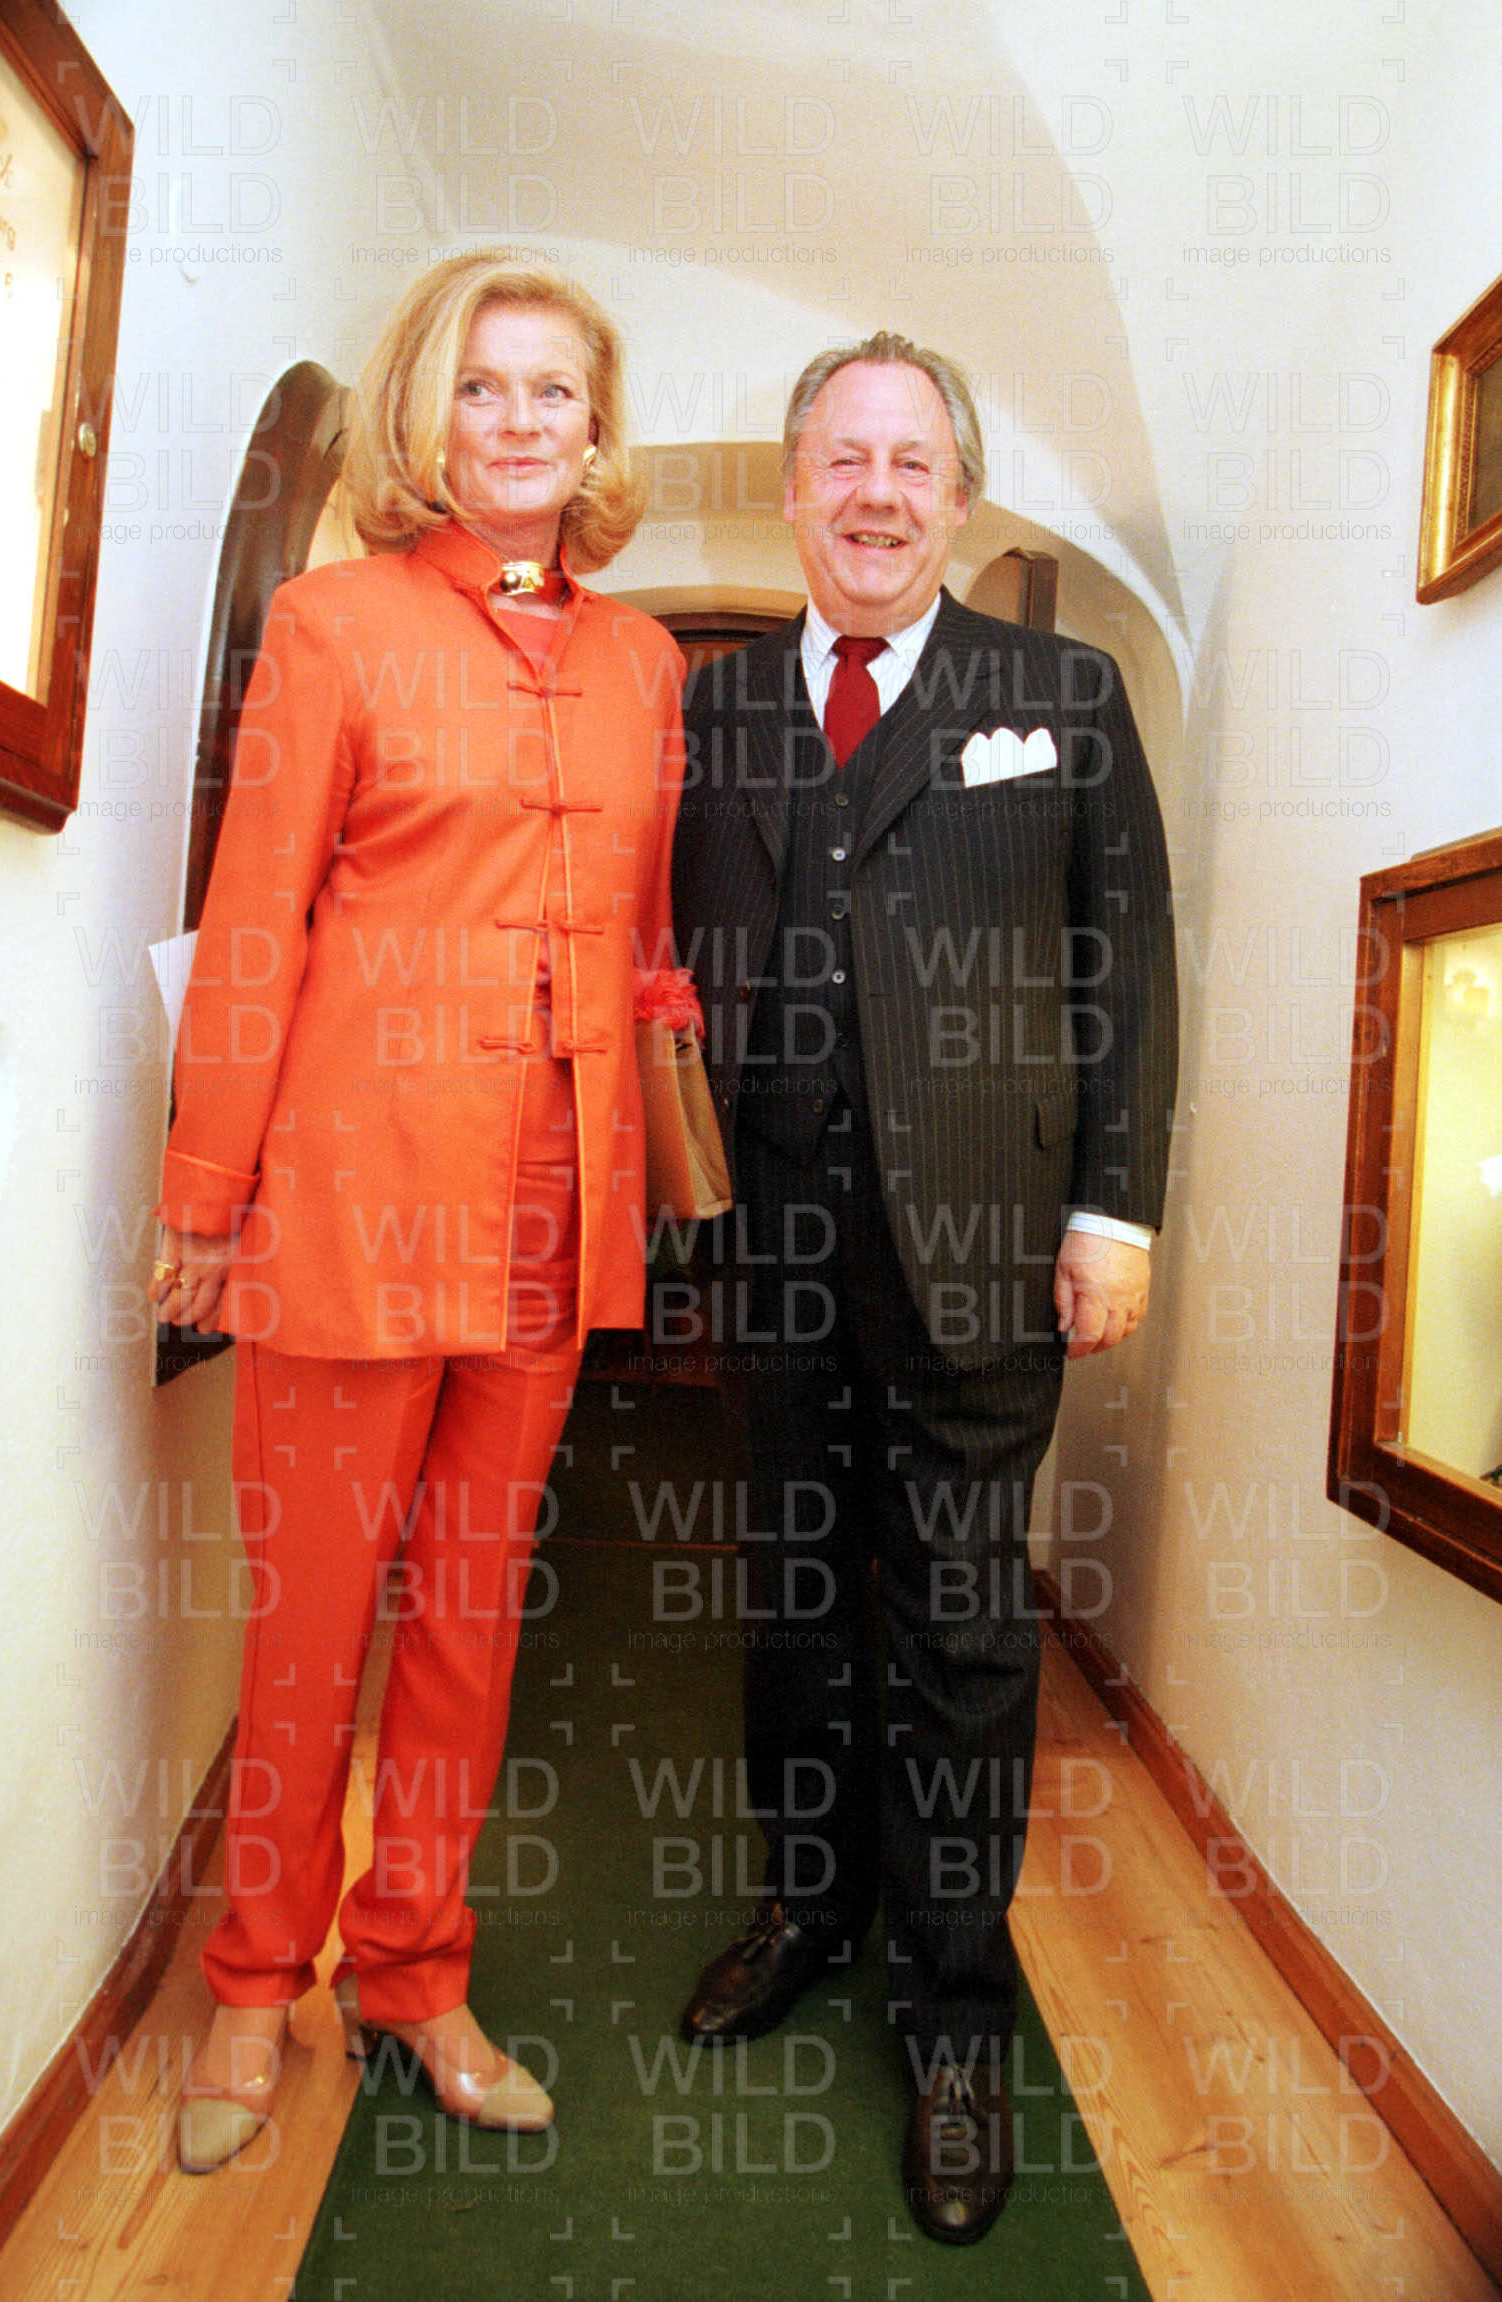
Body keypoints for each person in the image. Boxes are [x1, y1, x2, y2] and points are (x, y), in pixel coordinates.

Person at [150, 252, 687, 2173]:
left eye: (555, 389)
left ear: (597, 431)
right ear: (425, 418)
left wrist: (666, 1052)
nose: (520, 419)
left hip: (553, 1209)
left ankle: (416, 1971)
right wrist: (205, 1193)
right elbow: (255, 923)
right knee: (311, 1626)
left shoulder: (648, 665)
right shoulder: (334, 624)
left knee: (470, 1621)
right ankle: (251, 1982)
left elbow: (641, 937)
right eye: (483, 384)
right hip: (354, 1202)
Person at [670, 332, 1178, 2245]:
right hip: (775, 1241)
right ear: (791, 488)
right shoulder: (717, 706)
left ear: (958, 496)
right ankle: (811, 1898)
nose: (874, 493)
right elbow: (671, 948)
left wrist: (1113, 1213)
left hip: (985, 1239)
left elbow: (1127, 963)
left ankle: (958, 2019)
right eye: (842, 459)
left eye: (911, 463)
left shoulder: (1062, 691)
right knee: (797, 1595)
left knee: (961, 1627)